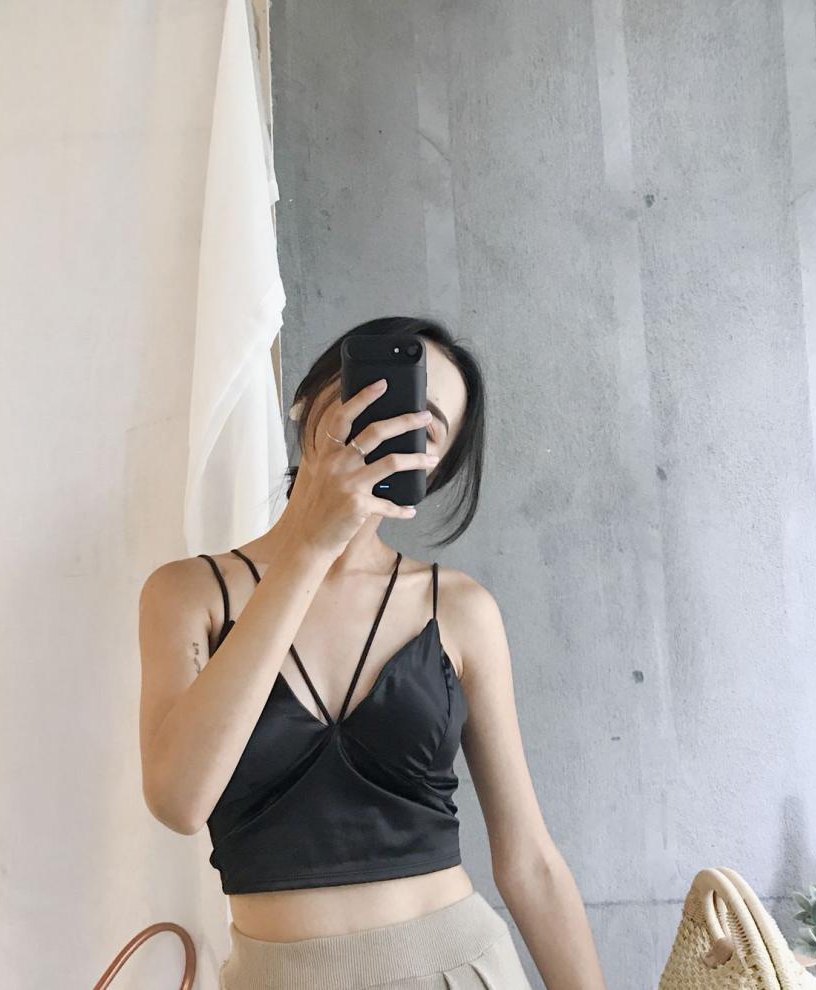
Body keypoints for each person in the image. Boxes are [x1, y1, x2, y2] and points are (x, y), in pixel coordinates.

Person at [138, 317, 607, 989]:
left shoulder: (458, 608)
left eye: (425, 427)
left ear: (433, 470)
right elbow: (179, 801)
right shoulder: (188, 594)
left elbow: (529, 860)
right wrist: (311, 546)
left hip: (456, 968)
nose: (390, 429)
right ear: (308, 402)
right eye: (374, 394)